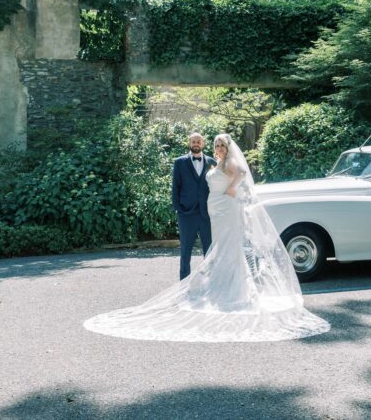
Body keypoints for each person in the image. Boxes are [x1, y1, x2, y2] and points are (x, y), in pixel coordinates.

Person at [83, 133, 330, 342]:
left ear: (221, 147)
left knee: (220, 250)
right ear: (195, 144)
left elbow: (241, 173)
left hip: (221, 211)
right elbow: (176, 187)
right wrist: (179, 208)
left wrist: (232, 189)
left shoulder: (222, 162)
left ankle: (228, 290)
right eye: (215, 145)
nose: (216, 148)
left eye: (220, 145)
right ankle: (191, 287)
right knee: (195, 252)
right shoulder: (197, 163)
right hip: (202, 213)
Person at [171, 132, 214, 280]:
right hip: (186, 213)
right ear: (189, 143)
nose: (196, 144)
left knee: (209, 250)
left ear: (203, 144)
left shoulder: (211, 162)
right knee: (185, 251)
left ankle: (211, 281)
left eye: (198, 141)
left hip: (206, 214)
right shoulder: (179, 162)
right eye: (193, 141)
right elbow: (175, 187)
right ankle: (184, 283)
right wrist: (178, 209)